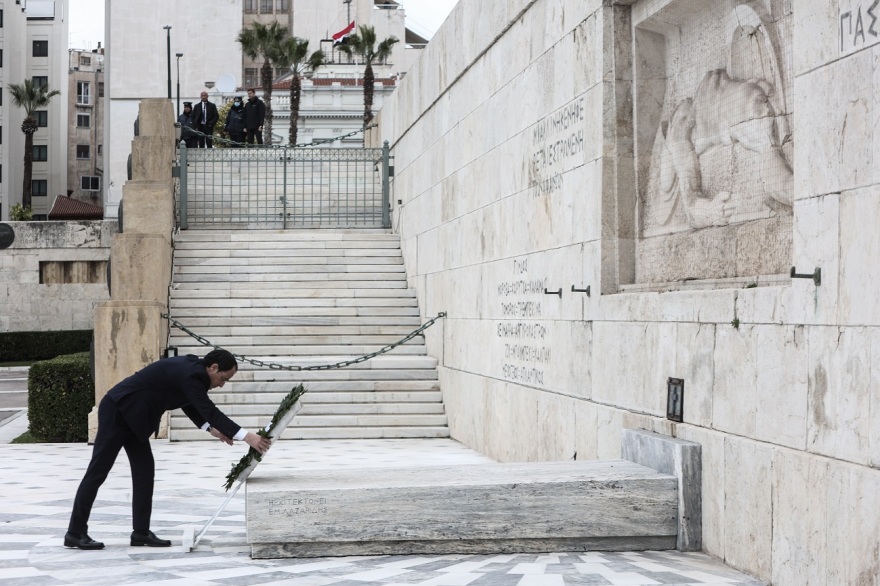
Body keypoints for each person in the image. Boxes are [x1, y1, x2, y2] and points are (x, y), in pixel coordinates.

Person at [64, 349, 271, 550]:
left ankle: (141, 532)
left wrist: (210, 428)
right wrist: (248, 436)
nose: (222, 385)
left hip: (135, 417)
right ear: (214, 368)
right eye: (223, 379)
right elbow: (209, 409)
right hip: (118, 410)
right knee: (98, 472)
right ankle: (74, 533)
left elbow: (188, 402)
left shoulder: (195, 372)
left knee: (145, 473)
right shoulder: (192, 374)